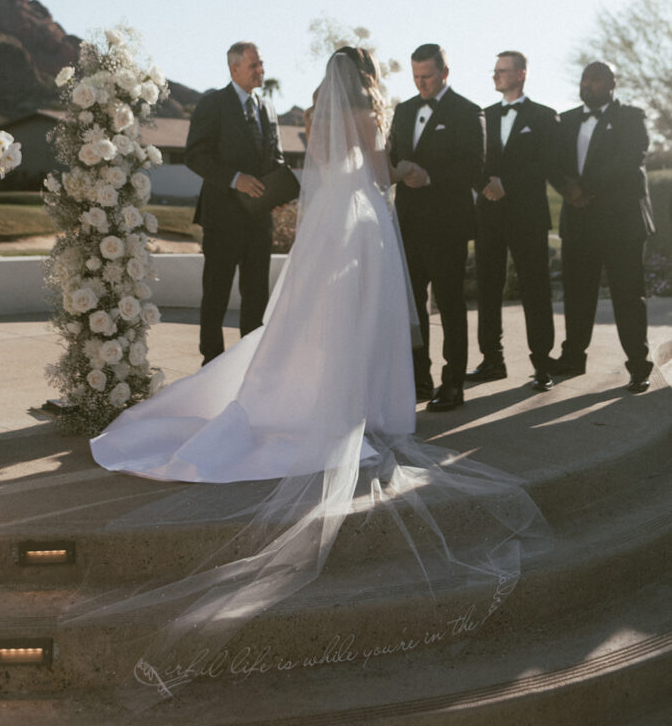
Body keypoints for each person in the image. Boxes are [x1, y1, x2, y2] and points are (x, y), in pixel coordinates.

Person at [84, 48, 548, 705]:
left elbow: (316, 173)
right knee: (358, 325)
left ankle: (311, 396)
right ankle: (360, 409)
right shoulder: (362, 113)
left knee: (319, 327)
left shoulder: (314, 114)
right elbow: (380, 169)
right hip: (361, 222)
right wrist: (409, 167)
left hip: (329, 224)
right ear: (361, 78)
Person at [389, 44, 485, 410]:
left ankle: (453, 384)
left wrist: (430, 177)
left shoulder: (467, 111)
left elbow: (474, 167)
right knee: (412, 306)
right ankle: (418, 380)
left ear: (445, 73)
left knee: (449, 305)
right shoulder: (404, 110)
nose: (421, 83)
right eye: (415, 77)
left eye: (427, 76)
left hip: (447, 225)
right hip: (408, 223)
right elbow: (395, 155)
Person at [550, 62, 655, 393]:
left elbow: (628, 159)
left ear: (612, 83)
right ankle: (572, 357)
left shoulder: (632, 117)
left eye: (595, 79)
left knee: (627, 295)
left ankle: (638, 365)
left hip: (620, 222)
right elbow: (552, 161)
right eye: (584, 79)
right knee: (578, 294)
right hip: (579, 221)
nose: (587, 84)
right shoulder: (565, 120)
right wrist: (567, 188)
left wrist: (585, 187)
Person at [185, 42, 284, 365]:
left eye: (261, 64)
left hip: (259, 220)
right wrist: (234, 178)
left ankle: (250, 363)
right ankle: (210, 363)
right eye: (254, 65)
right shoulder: (213, 103)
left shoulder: (268, 108)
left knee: (257, 296)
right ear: (234, 69)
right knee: (216, 294)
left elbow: (276, 158)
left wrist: (277, 191)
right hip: (221, 219)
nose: (261, 71)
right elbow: (195, 155)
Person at [467, 51, 560, 393]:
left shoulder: (544, 117)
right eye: (494, 71)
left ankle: (542, 365)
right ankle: (492, 360)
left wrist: (508, 185)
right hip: (489, 214)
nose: (496, 76)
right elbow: (471, 159)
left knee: (535, 289)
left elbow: (546, 163)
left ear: (521, 74)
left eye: (502, 71)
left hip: (527, 215)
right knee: (488, 287)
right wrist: (484, 186)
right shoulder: (483, 116)